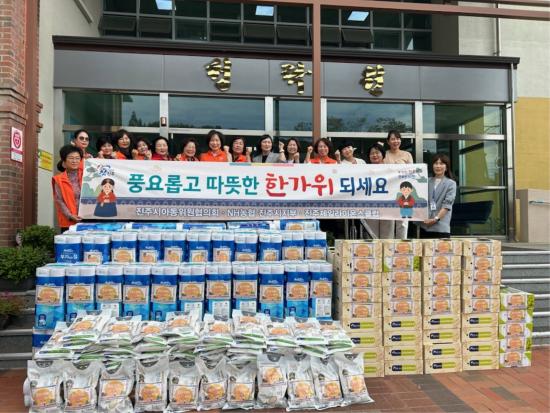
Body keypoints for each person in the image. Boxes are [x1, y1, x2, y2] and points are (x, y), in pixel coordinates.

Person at [418, 153, 457, 239]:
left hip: (441, 227)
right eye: (436, 163)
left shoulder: (451, 184)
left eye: (441, 163)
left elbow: (447, 205)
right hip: (425, 226)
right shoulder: (426, 181)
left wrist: (436, 219)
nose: (438, 166)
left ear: (446, 167)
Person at [384, 130, 413, 239]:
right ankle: (389, 247)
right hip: (389, 192)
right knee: (389, 223)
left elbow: (412, 173)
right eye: (393, 139)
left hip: (404, 193)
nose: (395, 141)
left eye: (398, 138)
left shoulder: (407, 155)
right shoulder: (385, 154)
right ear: (388, 141)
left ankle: (402, 247)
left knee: (403, 222)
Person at [363, 143, 394, 239]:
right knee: (371, 235)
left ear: (383, 154)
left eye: (377, 153)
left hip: (388, 206)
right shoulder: (363, 170)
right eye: (372, 153)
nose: (374, 155)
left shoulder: (391, 170)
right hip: (370, 206)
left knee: (387, 237)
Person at [52, 145, 83, 231]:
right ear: (64, 161)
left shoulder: (87, 176)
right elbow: (59, 200)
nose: (74, 161)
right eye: (71, 158)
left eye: (77, 158)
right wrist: (70, 215)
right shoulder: (59, 179)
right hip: (69, 222)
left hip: (87, 221)